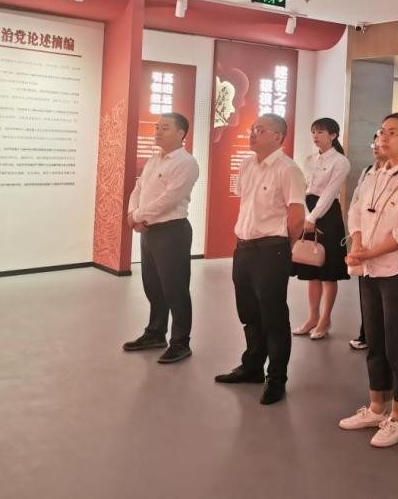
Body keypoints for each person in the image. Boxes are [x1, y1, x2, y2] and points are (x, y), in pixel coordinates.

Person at [338, 112, 398, 448]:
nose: (384, 137)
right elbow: (356, 211)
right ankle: (377, 406)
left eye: (393, 132)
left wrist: (370, 252)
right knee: (375, 340)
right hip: (368, 267)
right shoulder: (372, 173)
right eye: (382, 131)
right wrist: (357, 244)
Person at [214, 114, 305, 405]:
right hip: (244, 247)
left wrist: (284, 247)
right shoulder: (247, 164)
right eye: (252, 129)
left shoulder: (288, 169)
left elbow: (296, 216)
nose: (253, 134)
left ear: (278, 137)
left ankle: (276, 378)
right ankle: (252, 366)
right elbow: (246, 203)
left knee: (273, 316)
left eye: (260, 130)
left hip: (272, 249)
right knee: (248, 312)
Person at [122, 113, 199, 363]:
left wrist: (138, 216)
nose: (157, 131)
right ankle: (155, 333)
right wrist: (132, 214)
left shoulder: (186, 163)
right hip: (149, 231)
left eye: (164, 128)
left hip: (172, 231)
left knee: (175, 288)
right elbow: (138, 188)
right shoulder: (154, 160)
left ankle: (181, 342)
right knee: (153, 286)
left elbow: (170, 199)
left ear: (181, 133)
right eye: (157, 127)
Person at [292, 118, 351, 340]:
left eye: (320, 132)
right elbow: (303, 188)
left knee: (328, 272)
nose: (315, 136)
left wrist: (313, 217)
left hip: (327, 215)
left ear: (333, 135)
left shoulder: (341, 161)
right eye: (313, 132)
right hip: (308, 210)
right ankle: (312, 317)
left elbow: (329, 193)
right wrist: (305, 214)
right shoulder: (309, 159)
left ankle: (325, 320)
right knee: (311, 269)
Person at [349, 133, 387, 351]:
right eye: (375, 142)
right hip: (363, 242)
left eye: (382, 142)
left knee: (387, 301)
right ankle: (367, 334)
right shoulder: (367, 171)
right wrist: (357, 238)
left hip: (386, 248)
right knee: (367, 295)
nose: (377, 146)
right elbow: (356, 204)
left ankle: (381, 339)